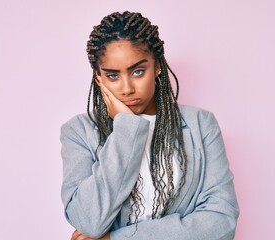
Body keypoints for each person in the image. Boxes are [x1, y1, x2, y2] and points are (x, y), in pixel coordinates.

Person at [60, 11, 239, 240]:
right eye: (113, 76)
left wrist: (117, 239)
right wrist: (126, 127)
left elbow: (221, 222)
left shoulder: (201, 124)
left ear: (157, 67)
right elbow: (88, 221)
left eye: (137, 72)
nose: (126, 89)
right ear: (99, 77)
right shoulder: (79, 132)